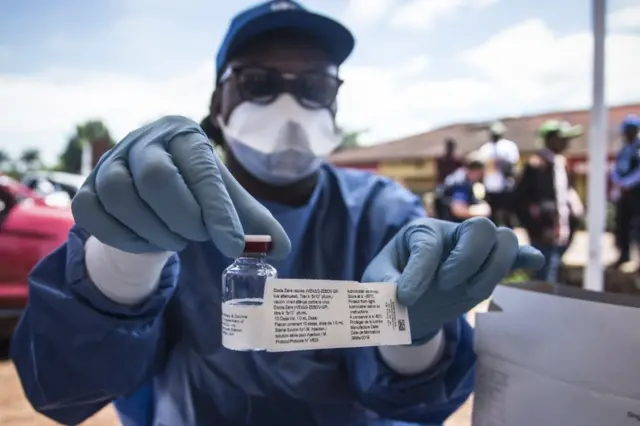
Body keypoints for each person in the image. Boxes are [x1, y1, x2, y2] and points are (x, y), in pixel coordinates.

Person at [10, 2, 543, 425]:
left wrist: (413, 338)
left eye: (314, 87)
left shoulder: (382, 214)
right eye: (259, 84)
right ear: (217, 105)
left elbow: (419, 403)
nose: (288, 109)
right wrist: (118, 268)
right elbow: (62, 389)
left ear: (335, 106)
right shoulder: (151, 204)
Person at [514, 120, 584, 283]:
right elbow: (520, 201)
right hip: (544, 233)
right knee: (544, 278)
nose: (567, 143)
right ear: (550, 140)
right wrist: (538, 228)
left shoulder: (560, 164)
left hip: (561, 232)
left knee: (554, 271)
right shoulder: (536, 167)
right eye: (563, 138)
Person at [610, 114, 640, 268]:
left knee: (638, 226)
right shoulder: (623, 149)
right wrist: (618, 182)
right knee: (622, 224)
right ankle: (624, 255)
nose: (627, 134)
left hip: (636, 194)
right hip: (624, 193)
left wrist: (627, 183)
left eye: (630, 130)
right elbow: (615, 169)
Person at [478, 121, 519, 228]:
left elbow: (513, 166)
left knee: (508, 215)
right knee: (492, 215)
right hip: (490, 187)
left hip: (506, 186)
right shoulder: (485, 149)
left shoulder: (509, 146)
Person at [435, 152, 491, 222]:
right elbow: (459, 210)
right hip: (454, 227)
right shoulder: (460, 183)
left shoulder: (462, 177)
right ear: (477, 171)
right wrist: (482, 211)